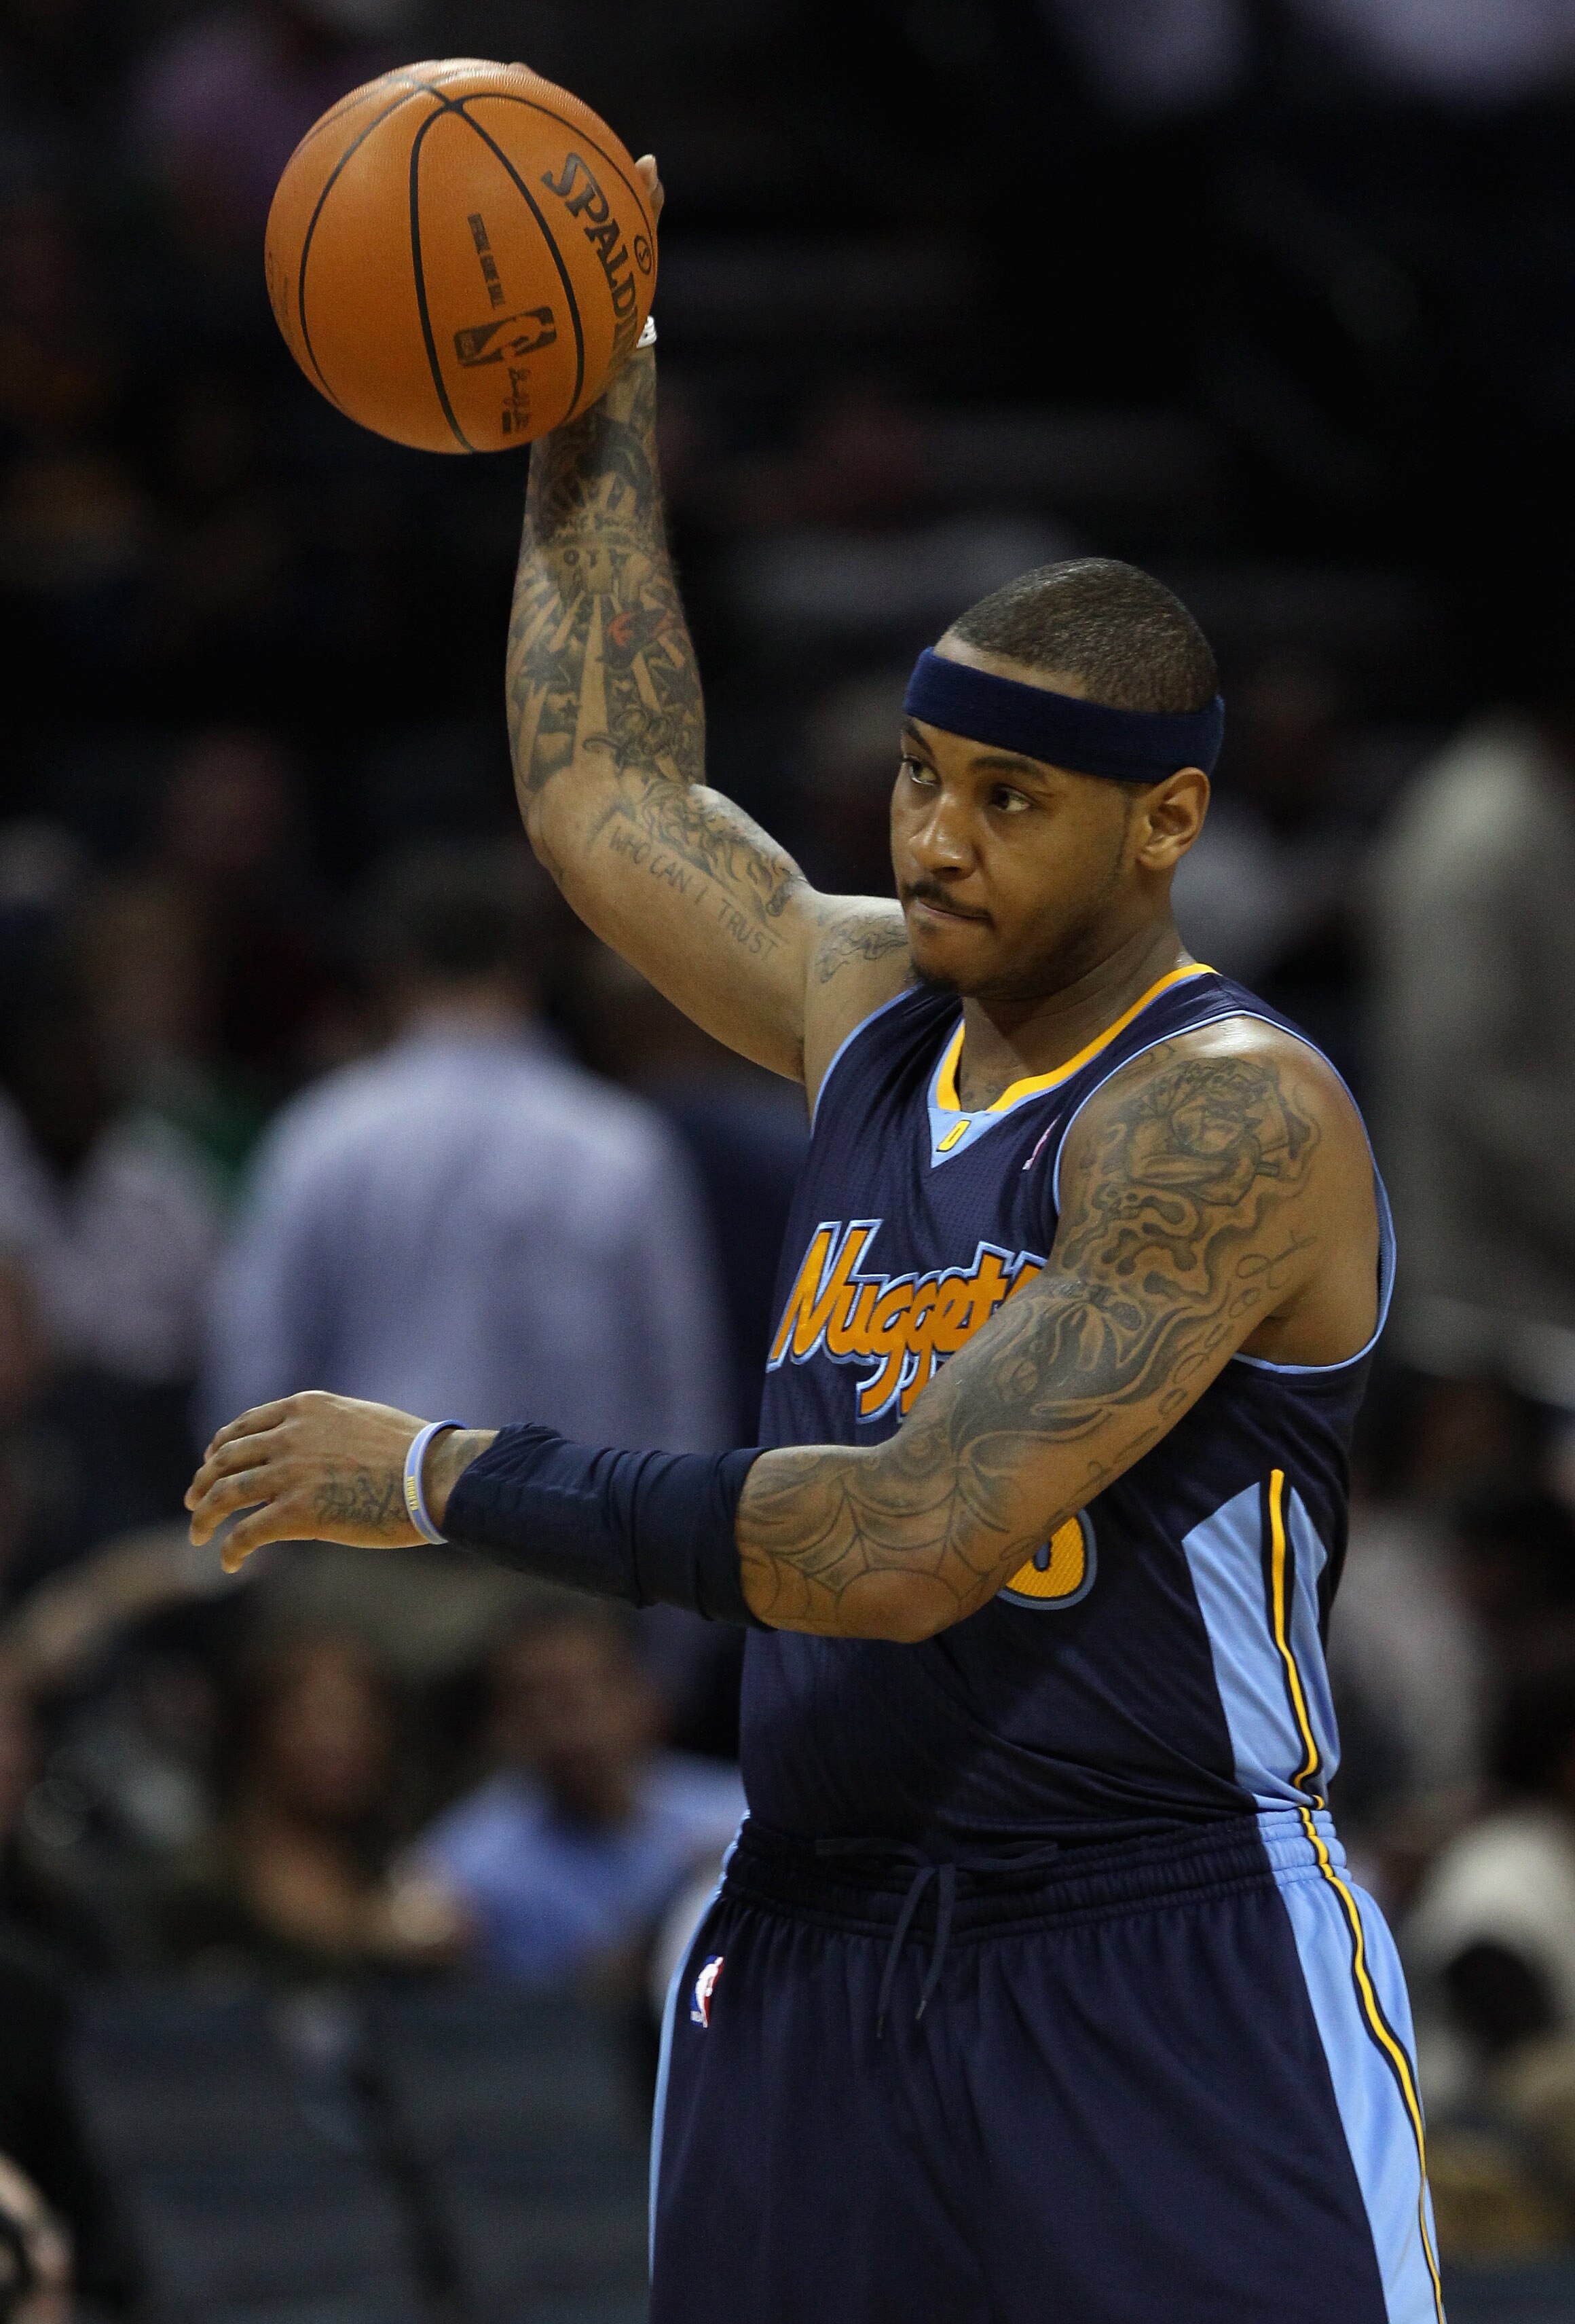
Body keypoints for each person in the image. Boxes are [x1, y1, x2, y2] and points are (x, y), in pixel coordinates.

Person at [186, 159, 1439, 2324]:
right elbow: (603, 797)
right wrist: (595, 381)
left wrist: (433, 1473)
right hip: (814, 1938)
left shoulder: (1229, 1120)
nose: (932, 838)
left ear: (1166, 825)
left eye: (1005, 801)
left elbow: (897, 1543)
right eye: (916, 775)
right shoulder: (867, 999)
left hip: (1150, 1942)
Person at [202, 843, 727, 1450]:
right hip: (565, 1530)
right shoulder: (618, 1144)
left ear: (390, 970)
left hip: (368, 1527)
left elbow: (258, 1359)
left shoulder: (323, 1136)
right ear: (532, 964)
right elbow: (680, 1377)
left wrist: (253, 1521)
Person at [411, 1594, 744, 1992]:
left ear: (642, 1696)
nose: (564, 1726)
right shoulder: (463, 1868)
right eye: (534, 1702)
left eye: (582, 1696)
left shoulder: (737, 1812)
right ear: (503, 1725)